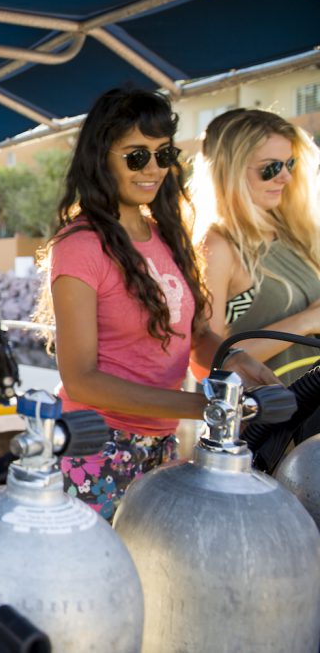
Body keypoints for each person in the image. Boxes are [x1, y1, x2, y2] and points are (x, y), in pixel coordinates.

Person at [36, 87, 276, 521]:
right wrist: (208, 408)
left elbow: (195, 335)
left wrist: (236, 362)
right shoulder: (80, 246)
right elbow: (82, 379)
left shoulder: (167, 235)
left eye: (163, 155)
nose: (152, 169)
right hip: (95, 446)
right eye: (136, 156)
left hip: (161, 443)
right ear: (101, 156)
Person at [195, 108, 320, 384]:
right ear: (232, 171)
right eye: (271, 168)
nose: (285, 177)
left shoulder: (294, 233)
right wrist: (305, 322)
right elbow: (206, 363)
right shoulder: (220, 246)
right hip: (272, 420)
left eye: (290, 164)